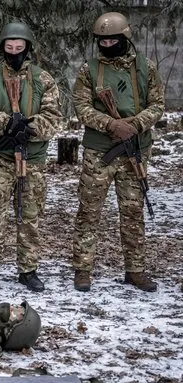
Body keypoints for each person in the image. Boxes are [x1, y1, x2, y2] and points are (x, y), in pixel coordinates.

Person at [72, 12, 164, 292]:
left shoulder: (145, 68)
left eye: (113, 39)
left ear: (125, 38)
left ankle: (135, 270)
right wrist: (111, 124)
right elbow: (81, 106)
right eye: (102, 40)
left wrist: (134, 125)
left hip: (135, 149)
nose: (107, 44)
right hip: (99, 151)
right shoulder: (89, 69)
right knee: (89, 211)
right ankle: (82, 270)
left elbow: (158, 104)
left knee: (133, 212)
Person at [0, 23, 61, 293]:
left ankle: (28, 269)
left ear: (27, 48)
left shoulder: (43, 79)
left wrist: (29, 127)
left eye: (19, 48)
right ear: (2, 48)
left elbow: (54, 118)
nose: (14, 52)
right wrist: (6, 123)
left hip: (31, 159)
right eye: (9, 48)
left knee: (29, 215)